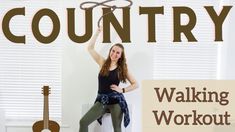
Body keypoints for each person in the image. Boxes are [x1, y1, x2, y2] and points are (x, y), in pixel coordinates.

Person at [79, 27, 138, 132]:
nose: (114, 54)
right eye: (113, 51)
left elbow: (135, 84)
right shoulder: (102, 62)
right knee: (83, 122)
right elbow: (90, 48)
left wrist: (122, 90)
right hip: (102, 100)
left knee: (117, 128)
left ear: (121, 56)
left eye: (118, 53)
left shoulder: (122, 68)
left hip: (116, 101)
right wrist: (97, 33)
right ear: (110, 51)